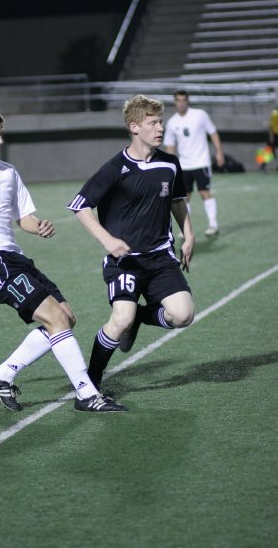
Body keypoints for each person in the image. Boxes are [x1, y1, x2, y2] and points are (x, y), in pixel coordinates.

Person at [0, 105, 125, 413]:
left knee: (66, 317)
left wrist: (38, 227)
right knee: (55, 318)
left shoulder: (8, 173)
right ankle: (88, 395)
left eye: (2, 134)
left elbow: (24, 218)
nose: (0, 141)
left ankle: (2, 373)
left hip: (13, 258)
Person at [67, 94, 195, 389]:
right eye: (153, 123)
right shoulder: (115, 167)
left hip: (161, 258)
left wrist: (189, 234)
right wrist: (107, 240)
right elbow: (80, 206)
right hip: (124, 261)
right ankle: (91, 384)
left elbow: (177, 202)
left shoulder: (170, 164)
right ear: (134, 127)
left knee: (183, 315)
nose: (160, 128)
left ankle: (139, 317)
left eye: (161, 122)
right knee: (121, 318)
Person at [163, 90, 224, 237]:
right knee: (184, 198)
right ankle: (186, 229)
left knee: (204, 192)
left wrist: (219, 152)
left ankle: (213, 225)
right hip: (184, 165)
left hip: (201, 162)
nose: (181, 103)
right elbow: (170, 145)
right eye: (178, 100)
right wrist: (172, 166)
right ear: (175, 102)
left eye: (184, 100)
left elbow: (213, 132)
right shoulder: (172, 122)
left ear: (187, 101)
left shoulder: (200, 115)